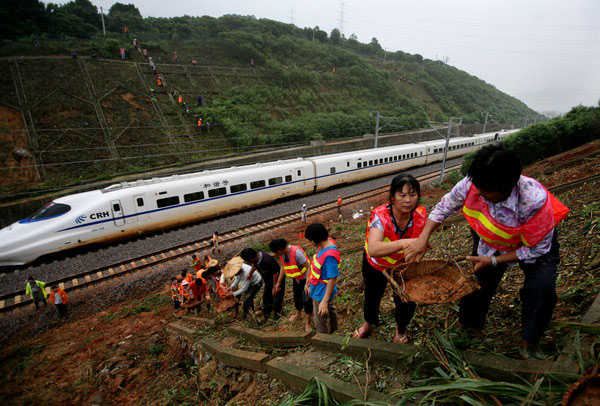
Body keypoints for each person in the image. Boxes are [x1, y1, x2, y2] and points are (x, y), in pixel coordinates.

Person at [404, 144, 569, 359]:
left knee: (541, 288)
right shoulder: (474, 183)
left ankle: (529, 342)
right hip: (490, 242)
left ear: (508, 187)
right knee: (477, 284)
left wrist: (494, 261)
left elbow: (535, 249)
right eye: (478, 186)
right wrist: (423, 238)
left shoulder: (533, 202)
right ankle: (468, 326)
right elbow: (445, 206)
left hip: (532, 245)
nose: (478, 193)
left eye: (487, 191)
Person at [353, 174, 427, 343]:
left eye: (413, 194)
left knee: (406, 298)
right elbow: (373, 248)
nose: (408, 200)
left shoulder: (421, 215)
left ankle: (401, 330)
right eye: (402, 195)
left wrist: (419, 250)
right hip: (376, 265)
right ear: (392, 197)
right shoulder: (380, 216)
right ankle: (369, 322)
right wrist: (406, 243)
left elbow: (423, 242)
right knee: (372, 294)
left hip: (404, 266)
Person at [270, 238, 313, 332]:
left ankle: (308, 322)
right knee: (297, 297)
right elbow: (283, 267)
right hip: (296, 279)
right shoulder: (282, 254)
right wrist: (278, 282)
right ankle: (298, 314)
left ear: (279, 250)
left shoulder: (296, 253)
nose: (276, 255)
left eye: (275, 253)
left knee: (306, 300)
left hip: (306, 278)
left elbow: (308, 267)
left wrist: (307, 284)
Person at [304, 223, 340, 334]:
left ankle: (322, 338)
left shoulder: (329, 255)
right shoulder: (325, 245)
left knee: (320, 317)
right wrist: (310, 281)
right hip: (319, 287)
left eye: (310, 240)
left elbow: (332, 278)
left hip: (321, 292)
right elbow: (319, 268)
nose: (310, 243)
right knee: (329, 307)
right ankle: (334, 329)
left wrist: (323, 301)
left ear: (315, 240)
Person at [241, 248, 285, 320]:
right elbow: (254, 265)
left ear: (251, 259)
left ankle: (278, 315)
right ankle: (267, 311)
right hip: (268, 279)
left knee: (277, 296)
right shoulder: (256, 258)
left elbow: (275, 274)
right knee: (267, 296)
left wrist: (275, 287)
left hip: (277, 279)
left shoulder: (266, 260)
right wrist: (250, 273)